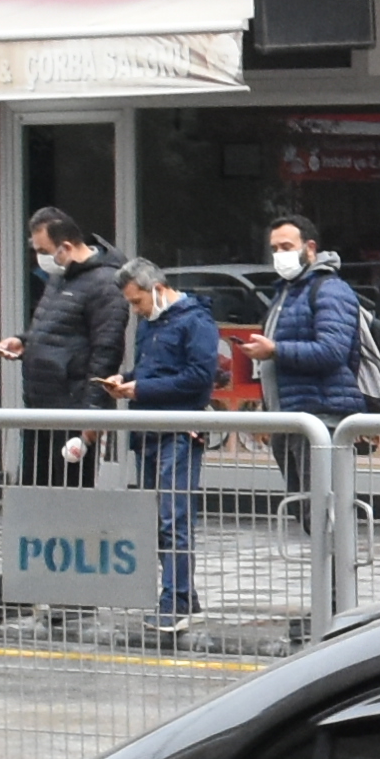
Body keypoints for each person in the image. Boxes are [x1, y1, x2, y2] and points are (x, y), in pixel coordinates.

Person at [113, 258, 224, 630]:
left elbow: (198, 377)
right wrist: (125, 380)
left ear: (157, 289)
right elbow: (151, 371)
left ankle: (174, 601)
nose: (136, 310)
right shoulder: (151, 324)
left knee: (172, 517)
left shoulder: (196, 322)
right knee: (158, 518)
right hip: (149, 429)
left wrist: (139, 388)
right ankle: (182, 596)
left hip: (178, 430)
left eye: (137, 301)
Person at [249, 211, 379, 520]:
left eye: (286, 246)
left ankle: (338, 570)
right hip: (290, 418)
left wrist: (275, 350)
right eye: (275, 249)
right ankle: (329, 569)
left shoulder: (329, 289)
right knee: (308, 514)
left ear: (310, 248)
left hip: (320, 419)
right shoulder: (286, 292)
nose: (280, 255)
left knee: (325, 516)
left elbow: (331, 351)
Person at [0, 207, 125, 489]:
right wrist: (24, 341)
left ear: (65, 247)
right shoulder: (61, 276)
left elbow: (107, 352)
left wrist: (91, 415)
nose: (40, 258)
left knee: (68, 496)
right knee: (37, 492)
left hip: (71, 408)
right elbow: (55, 327)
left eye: (43, 250)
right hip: (42, 404)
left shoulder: (104, 285)